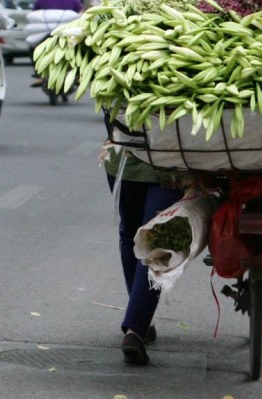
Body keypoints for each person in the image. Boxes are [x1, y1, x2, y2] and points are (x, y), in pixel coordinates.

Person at [102, 142, 185, 366]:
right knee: (155, 243)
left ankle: (140, 322)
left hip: (124, 165)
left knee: (132, 234)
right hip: (167, 168)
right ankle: (136, 328)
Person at [30, 0, 84, 86]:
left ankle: (39, 75)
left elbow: (35, 13)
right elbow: (81, 14)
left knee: (32, 48)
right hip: (66, 36)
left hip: (44, 36)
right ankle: (78, 75)